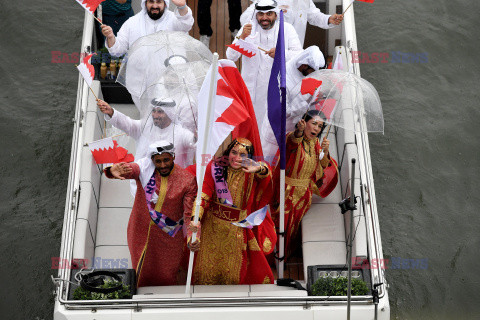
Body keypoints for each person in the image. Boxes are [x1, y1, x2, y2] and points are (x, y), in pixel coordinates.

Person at [105, 140, 198, 286]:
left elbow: (188, 214)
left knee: (167, 275)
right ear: (152, 160)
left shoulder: (187, 180)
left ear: (173, 156)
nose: (162, 165)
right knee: (140, 271)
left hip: (169, 239)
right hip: (139, 231)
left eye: (166, 160)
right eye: (158, 161)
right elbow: (132, 169)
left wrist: (193, 236)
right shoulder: (145, 170)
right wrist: (113, 171)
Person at [191, 138, 277, 285]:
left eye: (243, 155)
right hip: (212, 227)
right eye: (234, 152)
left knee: (234, 273)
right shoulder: (215, 167)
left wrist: (259, 169)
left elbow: (265, 172)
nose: (237, 158)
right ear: (228, 151)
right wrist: (195, 218)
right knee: (205, 272)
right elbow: (203, 196)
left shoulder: (251, 171)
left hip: (236, 229)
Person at [226, 0, 302, 137]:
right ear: (256, 15)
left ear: (275, 14)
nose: (264, 18)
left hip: (278, 92)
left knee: (273, 133)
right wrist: (241, 37)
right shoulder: (248, 30)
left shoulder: (287, 29)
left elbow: (299, 56)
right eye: (261, 14)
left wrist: (280, 53)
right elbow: (230, 56)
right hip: (253, 93)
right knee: (251, 132)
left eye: (269, 14)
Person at [97, 99, 196, 196]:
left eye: (160, 112)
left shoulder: (181, 133)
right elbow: (127, 123)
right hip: (144, 185)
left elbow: (194, 143)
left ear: (169, 113)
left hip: (172, 189)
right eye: (154, 111)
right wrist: (111, 112)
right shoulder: (144, 127)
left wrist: (197, 136)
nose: (155, 115)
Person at [271, 110, 331, 259]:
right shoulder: (294, 138)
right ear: (304, 123)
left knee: (294, 226)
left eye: (320, 126)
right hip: (287, 192)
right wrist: (298, 131)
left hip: (304, 194)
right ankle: (272, 256)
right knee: (280, 224)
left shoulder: (316, 143)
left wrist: (325, 151)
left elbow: (323, 166)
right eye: (314, 123)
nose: (316, 129)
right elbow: (292, 142)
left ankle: (287, 254)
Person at [261, 46, 325, 158]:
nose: (314, 75)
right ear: (304, 65)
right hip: (276, 134)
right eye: (313, 71)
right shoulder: (283, 80)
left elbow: (287, 53)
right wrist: (307, 104)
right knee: (269, 165)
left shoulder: (301, 58)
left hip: (296, 133)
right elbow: (282, 111)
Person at [101, 0, 194, 57]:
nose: (155, 6)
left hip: (169, 80)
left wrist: (182, 7)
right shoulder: (132, 22)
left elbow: (186, 25)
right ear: (145, 3)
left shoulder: (174, 19)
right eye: (151, 1)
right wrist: (111, 38)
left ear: (165, 4)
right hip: (141, 81)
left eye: (158, 1)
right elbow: (117, 51)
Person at [241, 0, 343, 47]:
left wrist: (329, 19)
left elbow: (314, 16)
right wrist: (272, 11)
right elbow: (245, 19)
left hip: (294, 49)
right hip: (270, 50)